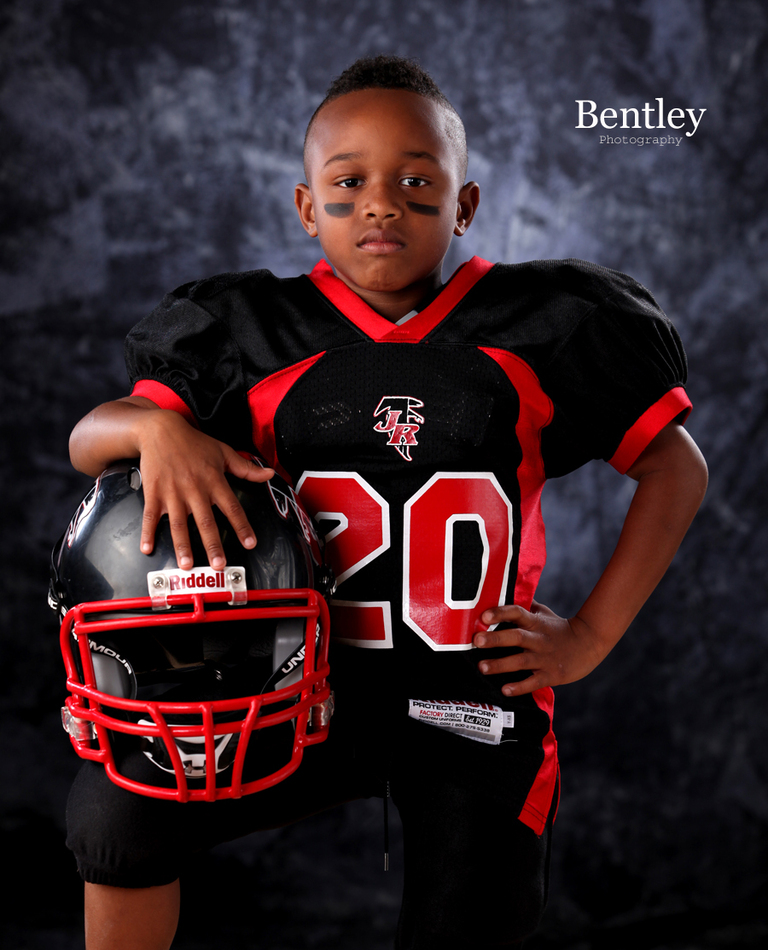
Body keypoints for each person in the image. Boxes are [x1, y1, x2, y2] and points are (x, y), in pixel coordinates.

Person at [64, 55, 708, 950]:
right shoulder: (250, 330)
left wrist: (590, 637)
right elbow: (88, 440)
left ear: (465, 205)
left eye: (416, 182)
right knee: (119, 817)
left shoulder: (546, 325)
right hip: (295, 688)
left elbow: (676, 467)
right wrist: (153, 430)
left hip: (471, 698)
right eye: (349, 182)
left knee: (470, 917)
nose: (380, 204)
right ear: (304, 207)